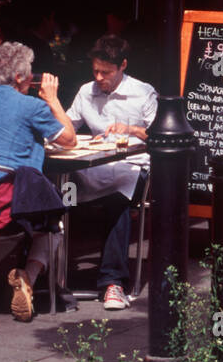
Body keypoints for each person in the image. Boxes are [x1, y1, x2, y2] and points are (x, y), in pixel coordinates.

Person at [0, 41, 76, 321]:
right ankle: (28, 277)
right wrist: (52, 99)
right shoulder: (32, 106)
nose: (32, 77)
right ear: (18, 77)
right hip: (1, 205)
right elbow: (69, 140)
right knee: (52, 228)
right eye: (29, 72)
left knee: (8, 230)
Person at [66, 35, 157, 309]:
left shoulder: (143, 93)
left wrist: (130, 129)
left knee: (117, 198)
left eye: (106, 72)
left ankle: (112, 282)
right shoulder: (86, 91)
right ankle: (49, 271)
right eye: (95, 70)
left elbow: (158, 137)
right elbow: (68, 124)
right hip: (93, 165)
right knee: (54, 190)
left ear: (122, 66)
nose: (99, 77)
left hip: (132, 165)